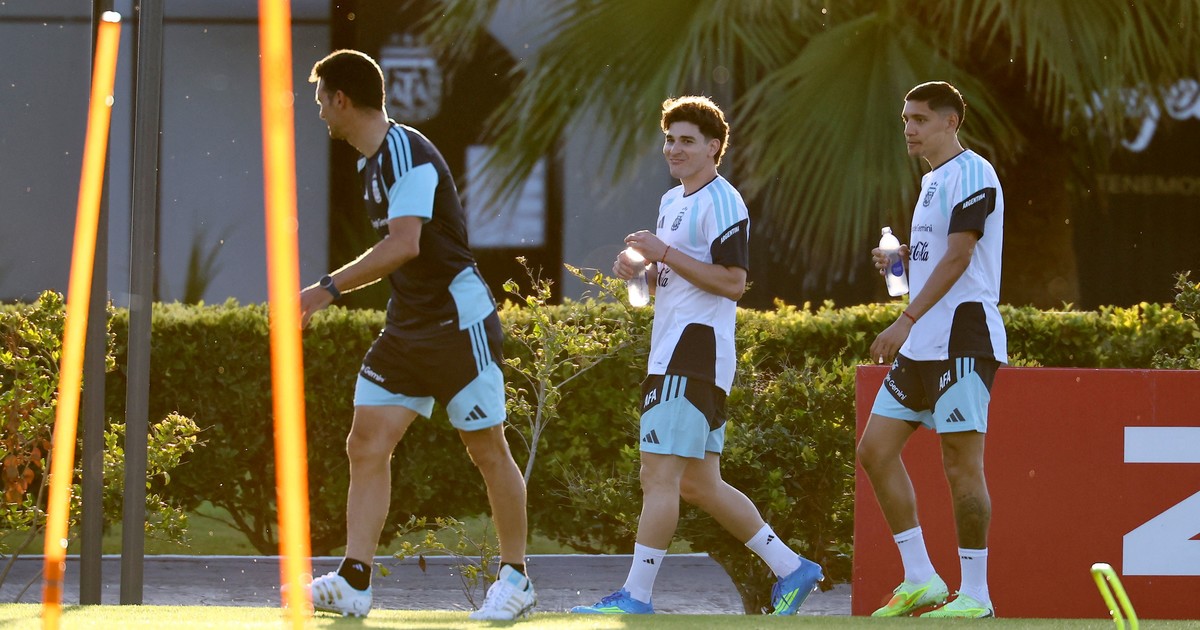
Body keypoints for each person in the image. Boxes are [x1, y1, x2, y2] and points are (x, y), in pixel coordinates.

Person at [297, 49, 535, 621]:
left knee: (487, 449)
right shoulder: (371, 163)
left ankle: (517, 579)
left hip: (458, 324)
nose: (319, 111)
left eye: (320, 100)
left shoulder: (405, 152)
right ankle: (354, 581)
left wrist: (326, 289)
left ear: (340, 99)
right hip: (408, 327)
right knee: (365, 443)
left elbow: (404, 244)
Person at [570, 95, 823, 616]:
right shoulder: (671, 201)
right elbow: (677, 278)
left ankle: (636, 597)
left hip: (693, 355)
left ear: (714, 147)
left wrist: (662, 253)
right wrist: (642, 272)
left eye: (687, 141)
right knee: (699, 484)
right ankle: (792, 568)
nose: (674, 149)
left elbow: (733, 282)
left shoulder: (724, 201)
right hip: (676, 353)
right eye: (669, 140)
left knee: (657, 478)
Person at [858, 81, 1007, 619]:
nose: (909, 128)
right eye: (905, 119)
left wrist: (905, 319)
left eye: (919, 119)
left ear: (951, 122)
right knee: (875, 451)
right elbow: (940, 252)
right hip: (923, 345)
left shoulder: (973, 172)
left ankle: (977, 596)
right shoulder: (932, 180)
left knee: (961, 465)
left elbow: (962, 256)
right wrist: (903, 256)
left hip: (963, 338)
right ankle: (921, 577)